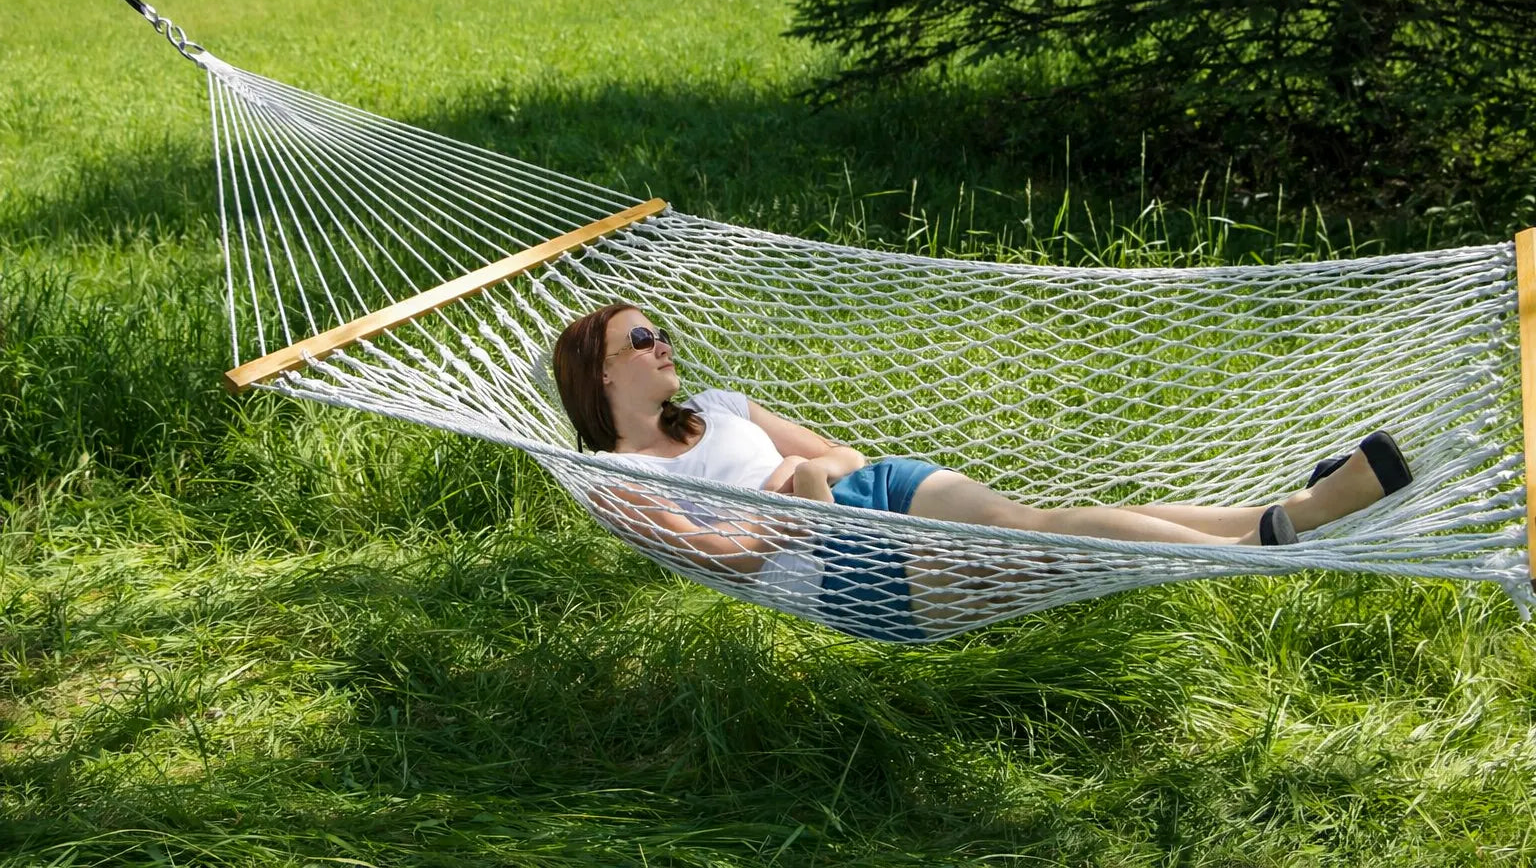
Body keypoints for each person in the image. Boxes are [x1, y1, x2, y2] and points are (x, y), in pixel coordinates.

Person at [552, 303, 1412, 640]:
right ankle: (1288, 528)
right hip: (840, 570)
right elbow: (721, 558)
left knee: (1046, 523)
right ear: (599, 372)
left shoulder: (720, 404)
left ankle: (1287, 516)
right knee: (1058, 545)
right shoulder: (615, 477)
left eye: (661, 331)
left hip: (876, 491)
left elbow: (838, 455)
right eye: (641, 339)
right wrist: (802, 495)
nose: (662, 344)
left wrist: (813, 483)